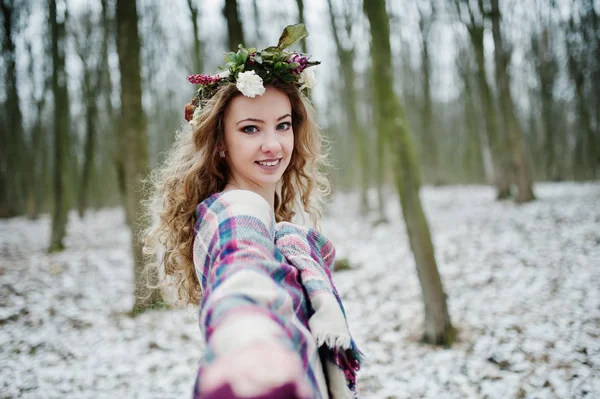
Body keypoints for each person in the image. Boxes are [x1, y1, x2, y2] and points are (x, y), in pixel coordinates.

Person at [144, 24, 361, 399]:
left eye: (283, 125)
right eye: (250, 129)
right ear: (221, 144)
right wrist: (251, 354)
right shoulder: (233, 211)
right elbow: (243, 277)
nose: (273, 144)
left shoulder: (269, 217)